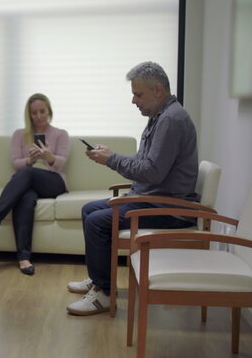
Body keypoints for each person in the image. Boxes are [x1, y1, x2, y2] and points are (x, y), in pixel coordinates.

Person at [66, 61, 199, 316]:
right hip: (152, 199)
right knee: (88, 210)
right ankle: (99, 279)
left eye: (138, 94)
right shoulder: (158, 118)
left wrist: (112, 159)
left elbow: (152, 171)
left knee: (97, 221)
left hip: (168, 209)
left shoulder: (171, 120)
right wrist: (111, 157)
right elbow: (144, 163)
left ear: (158, 90)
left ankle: (104, 294)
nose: (134, 101)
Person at [0, 93, 70, 275]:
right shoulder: (19, 135)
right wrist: (29, 159)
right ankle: (24, 258)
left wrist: (47, 156)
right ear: (29, 115)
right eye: (34, 113)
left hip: (53, 183)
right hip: (27, 184)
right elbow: (15, 163)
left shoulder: (61, 134)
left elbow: (61, 162)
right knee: (25, 199)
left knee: (27, 173)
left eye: (42, 111)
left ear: (49, 111)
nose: (38, 116)